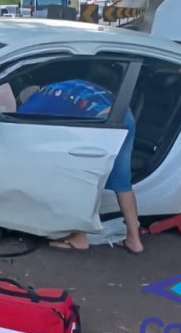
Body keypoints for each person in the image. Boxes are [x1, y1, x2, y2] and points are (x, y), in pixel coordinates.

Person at [16, 73, 144, 254]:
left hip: (100, 123)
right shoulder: (60, 85)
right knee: (122, 182)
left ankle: (78, 238)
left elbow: (16, 127)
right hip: (122, 114)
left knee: (83, 177)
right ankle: (134, 240)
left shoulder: (34, 103)